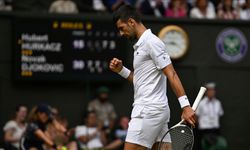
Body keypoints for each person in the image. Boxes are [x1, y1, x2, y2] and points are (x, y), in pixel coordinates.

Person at [109, 4, 196, 150]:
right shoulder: (141, 46)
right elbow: (141, 82)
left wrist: (186, 106)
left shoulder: (152, 42)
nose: (121, 33)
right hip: (155, 111)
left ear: (131, 22)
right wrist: (121, 70)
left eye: (121, 28)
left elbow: (171, 74)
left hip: (148, 111)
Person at [196, 82, 224, 150]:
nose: (212, 92)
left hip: (215, 131)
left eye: (213, 90)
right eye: (210, 90)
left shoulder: (218, 103)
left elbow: (220, 114)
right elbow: (196, 116)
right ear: (206, 92)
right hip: (204, 131)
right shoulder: (201, 103)